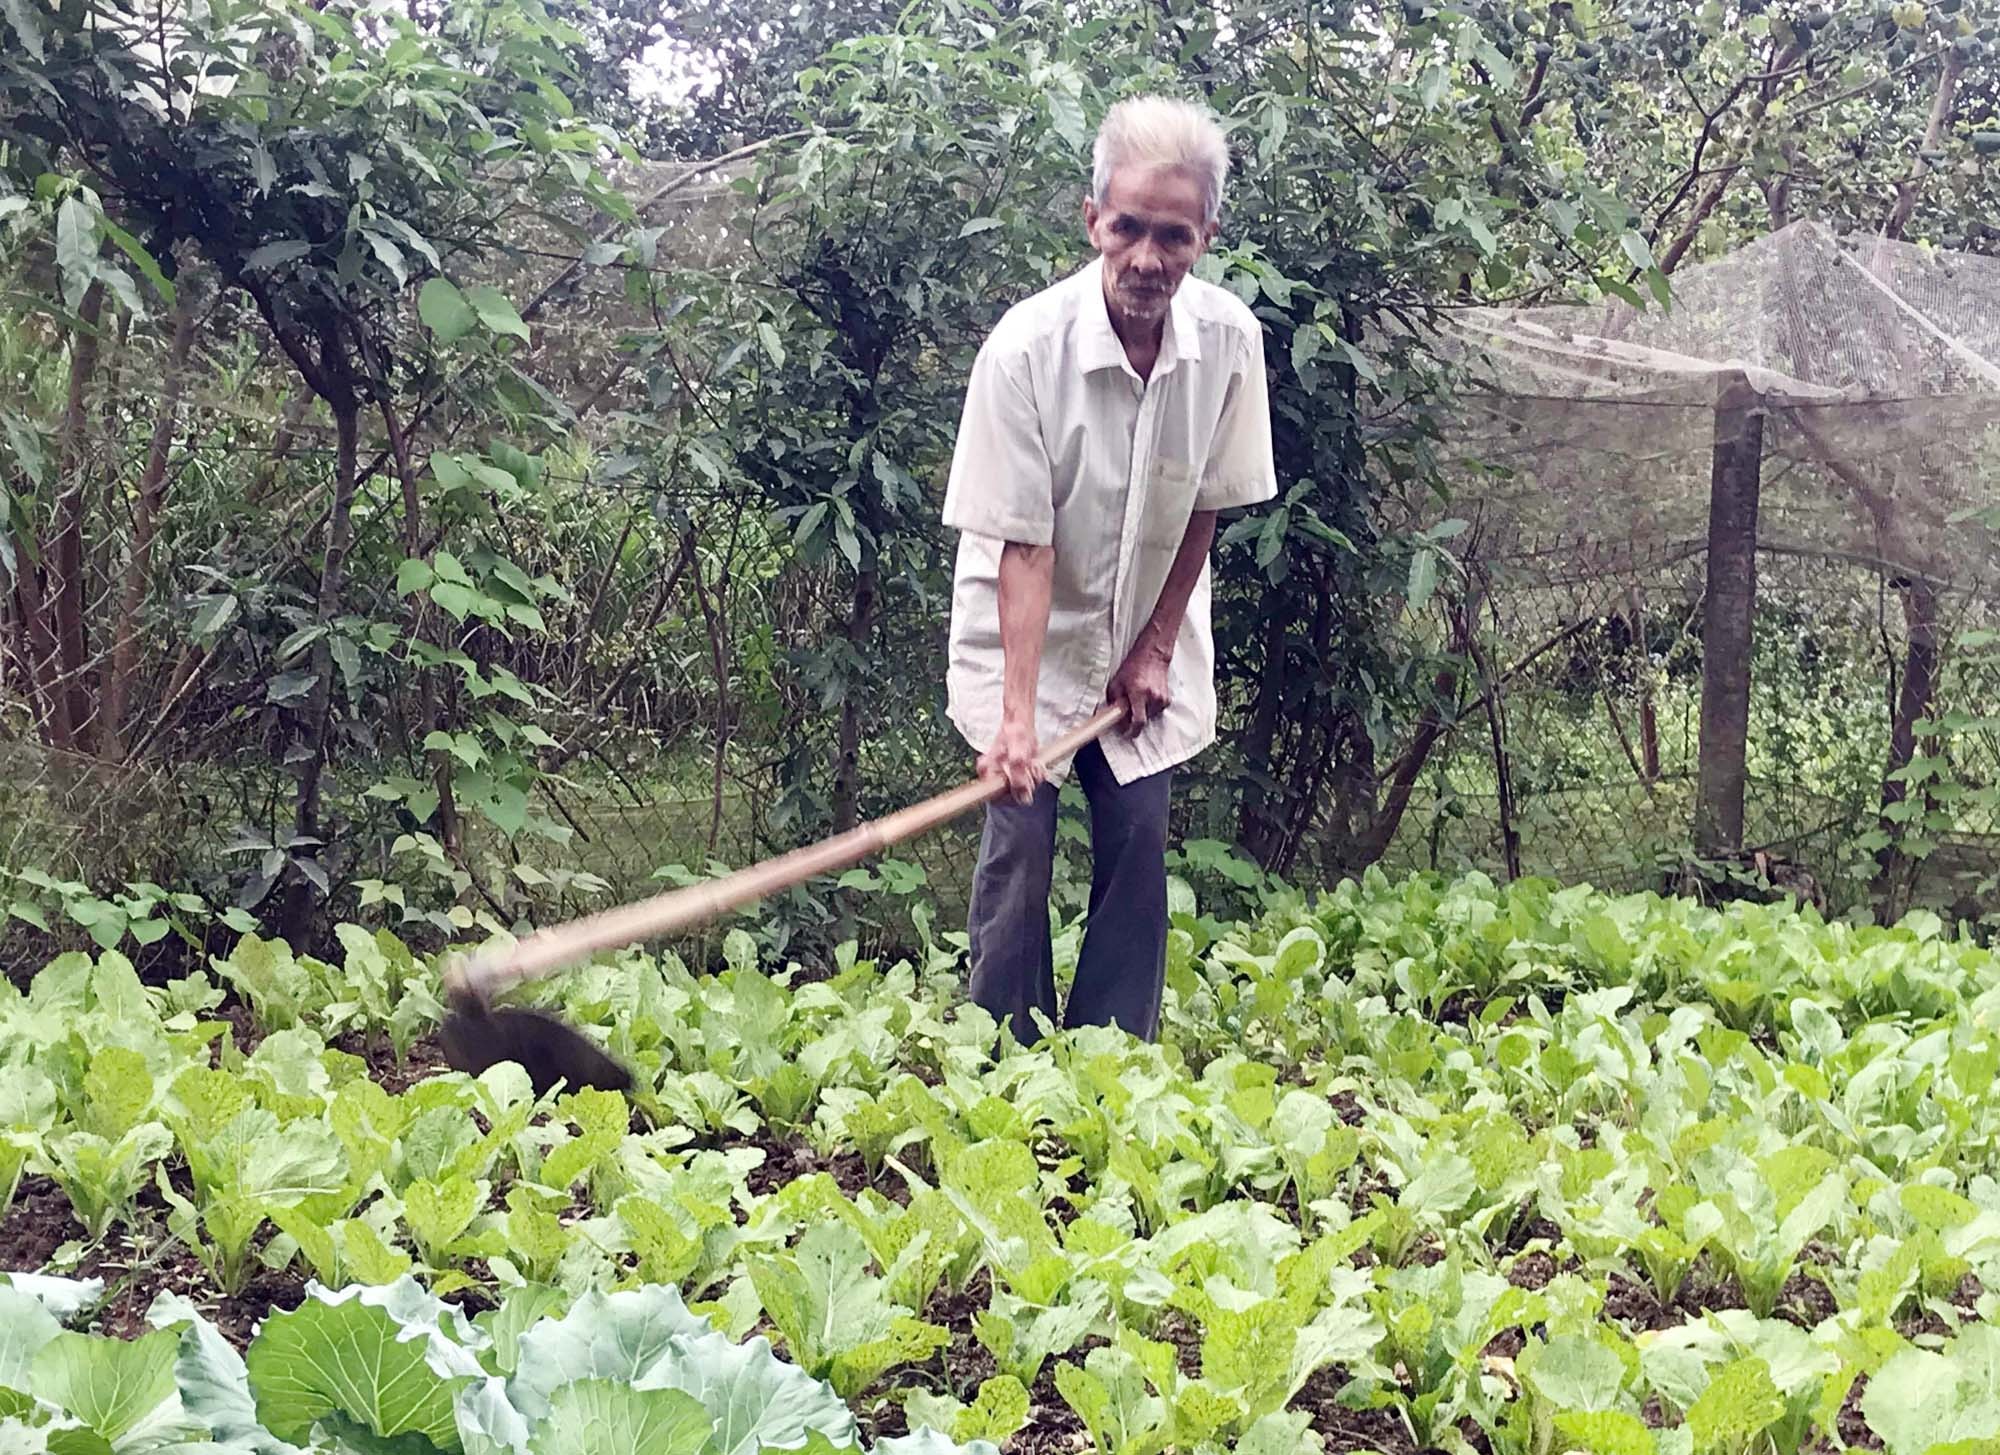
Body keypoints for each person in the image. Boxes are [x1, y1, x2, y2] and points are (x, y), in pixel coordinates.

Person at [939, 93, 1278, 1047]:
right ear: (1093, 220)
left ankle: (1115, 1057)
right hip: (1027, 630)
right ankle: (1004, 1053)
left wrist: (1156, 645)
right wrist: (1015, 719)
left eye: (1173, 235)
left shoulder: (1229, 343)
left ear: (1205, 235)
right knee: (1022, 840)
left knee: (1136, 834)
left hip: (1146, 635)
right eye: (1127, 227)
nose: (1146, 258)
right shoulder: (1024, 352)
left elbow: (1207, 498)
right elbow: (1025, 545)